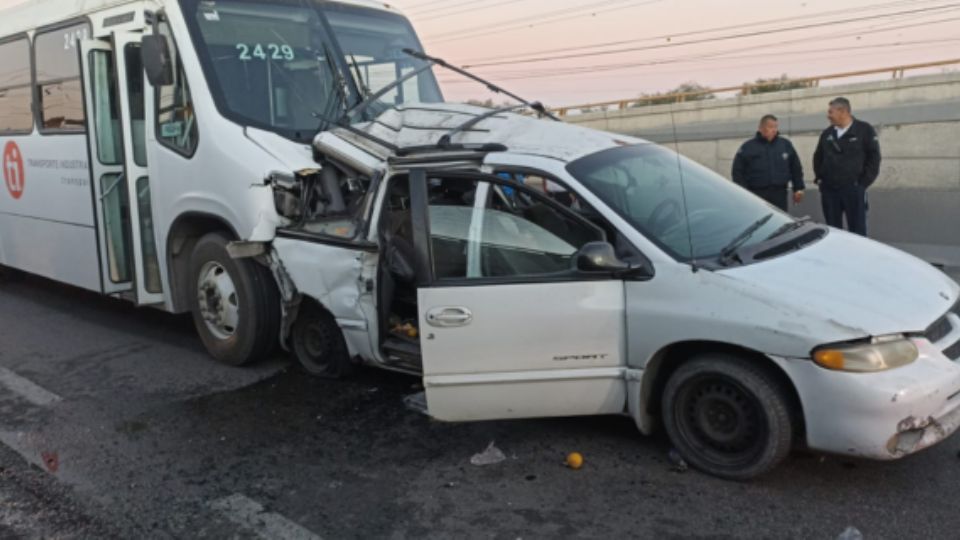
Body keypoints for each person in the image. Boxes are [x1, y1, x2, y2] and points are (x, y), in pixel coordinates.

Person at [813, 97, 881, 236]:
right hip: (830, 191)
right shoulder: (827, 134)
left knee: (857, 230)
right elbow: (818, 157)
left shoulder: (864, 130)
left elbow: (874, 158)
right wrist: (820, 179)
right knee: (833, 231)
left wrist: (862, 183)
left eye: (831, 112)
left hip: (853, 189)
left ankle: (857, 257)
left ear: (843, 111)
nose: (828, 116)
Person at [732, 114, 805, 212]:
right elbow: (737, 172)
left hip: (780, 193)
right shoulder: (748, 147)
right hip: (757, 194)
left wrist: (798, 188)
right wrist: (744, 193)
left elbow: (795, 167)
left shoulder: (785, 145)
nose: (774, 130)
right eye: (770, 127)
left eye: (775, 127)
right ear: (761, 128)